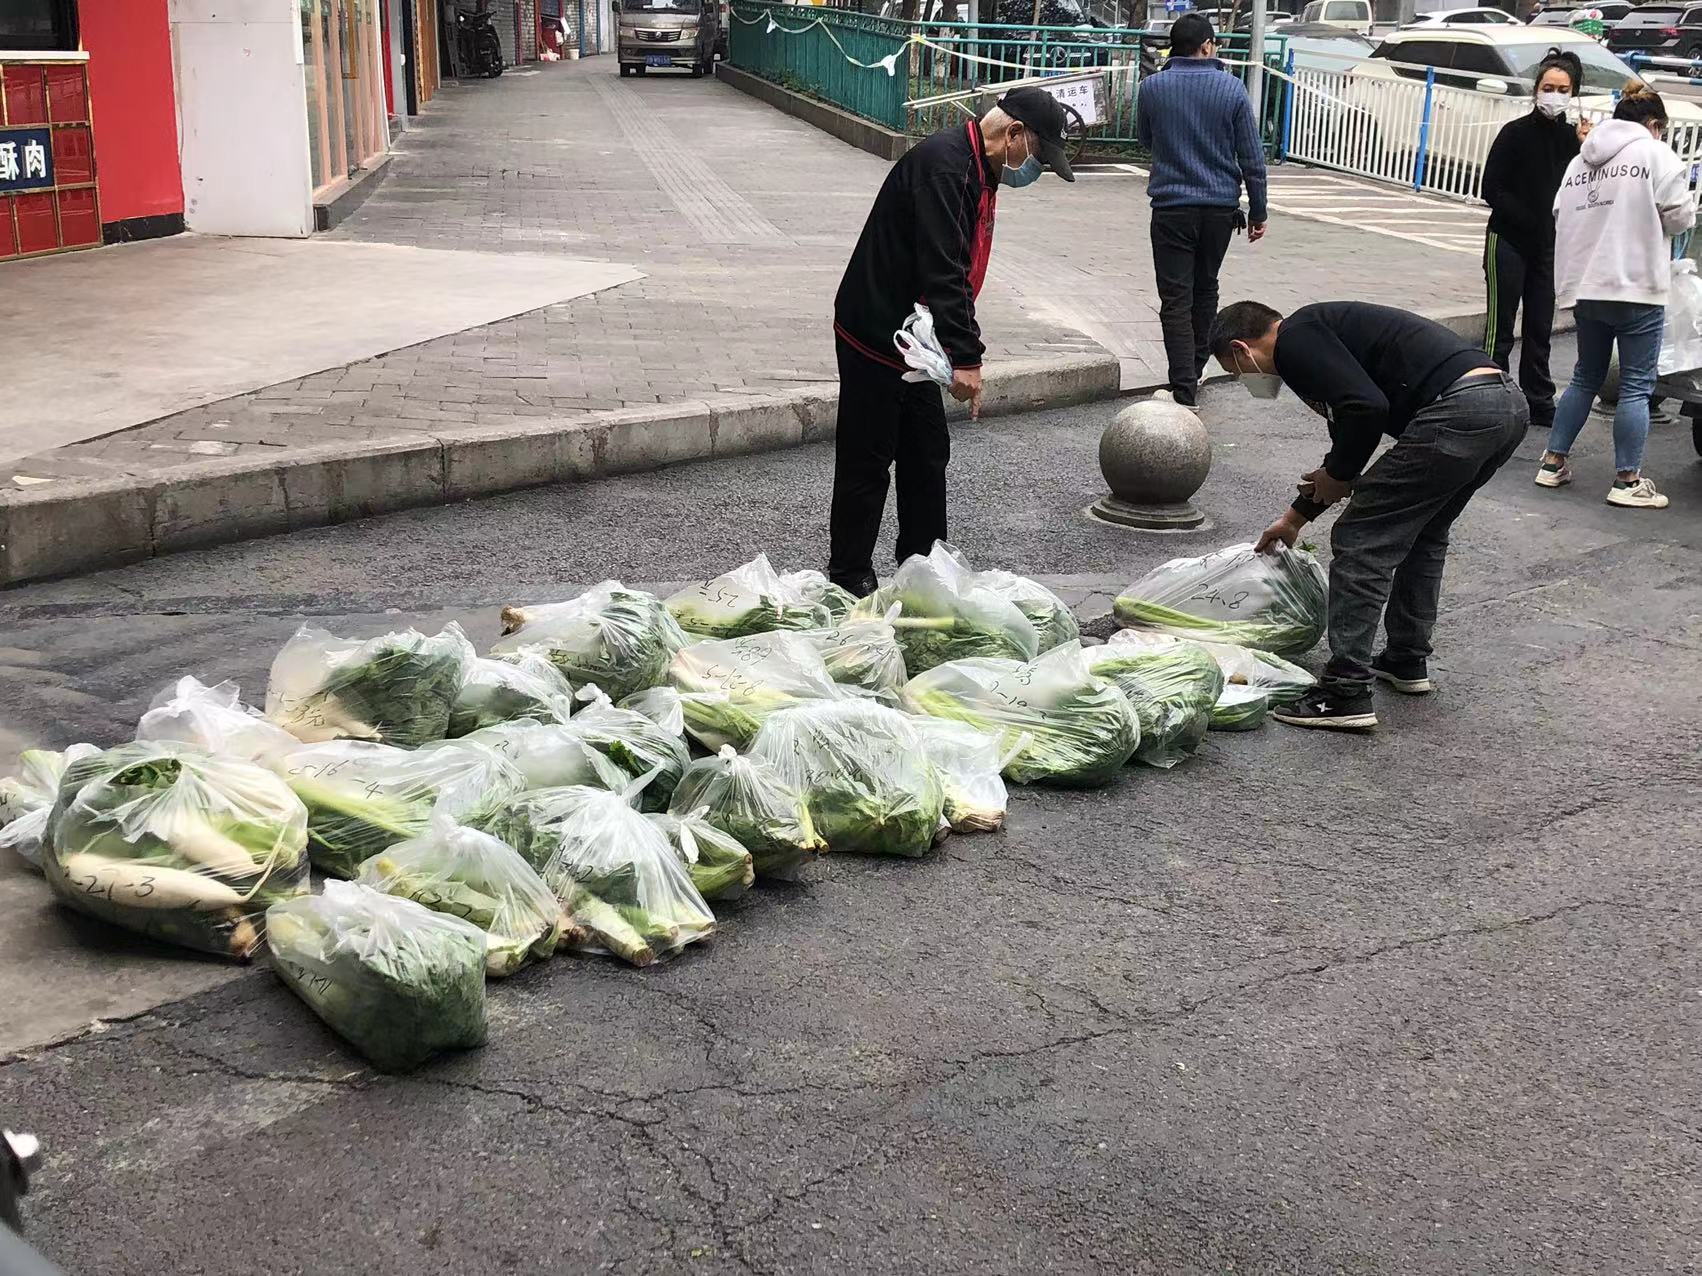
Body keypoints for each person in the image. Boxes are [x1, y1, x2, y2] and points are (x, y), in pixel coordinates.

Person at [1207, 300, 1527, 731]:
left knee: (1361, 538)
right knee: (1424, 532)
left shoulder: (1294, 341)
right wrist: (1296, 518)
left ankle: (1345, 691)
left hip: (1460, 408)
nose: (1245, 380)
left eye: (1235, 371)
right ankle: (1406, 659)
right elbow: (1347, 441)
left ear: (1242, 349)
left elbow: (1365, 410)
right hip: (1502, 405)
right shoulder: (1319, 339)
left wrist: (1339, 474)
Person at [827, 88, 1076, 597]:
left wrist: (954, 348)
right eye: (1036, 154)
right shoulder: (948, 167)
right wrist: (968, 357)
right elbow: (945, 271)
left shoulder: (977, 167)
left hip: (918, 340)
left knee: (926, 452)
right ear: (1012, 134)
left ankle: (923, 567)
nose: (1035, 169)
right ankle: (849, 577)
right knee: (868, 458)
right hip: (878, 331)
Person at [1539, 84, 1695, 509]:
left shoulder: (1579, 160)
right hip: (1635, 285)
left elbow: (1559, 212)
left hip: (1586, 285)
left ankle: (1553, 462)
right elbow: (1679, 216)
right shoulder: (1655, 154)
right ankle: (1627, 480)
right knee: (1635, 386)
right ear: (1654, 125)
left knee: (1586, 375)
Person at [1135, 12, 1268, 407]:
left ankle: (1182, 387)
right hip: (1219, 209)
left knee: (1175, 298)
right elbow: (1252, 157)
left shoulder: (1152, 87)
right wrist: (1258, 211)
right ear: (1208, 45)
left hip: (1171, 206)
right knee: (1205, 287)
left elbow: (1147, 138)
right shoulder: (1231, 88)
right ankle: (1194, 369)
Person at [1480, 47, 1584, 434]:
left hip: (1547, 247)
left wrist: (1586, 147)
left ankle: (1537, 398)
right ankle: (1488, 394)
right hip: (1507, 240)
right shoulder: (1515, 133)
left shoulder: (1574, 140)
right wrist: (1527, 219)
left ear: (1572, 93)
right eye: (1547, 87)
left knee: (1540, 325)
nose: (1553, 95)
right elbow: (1492, 187)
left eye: (1562, 88)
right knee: (1500, 325)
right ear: (1536, 89)